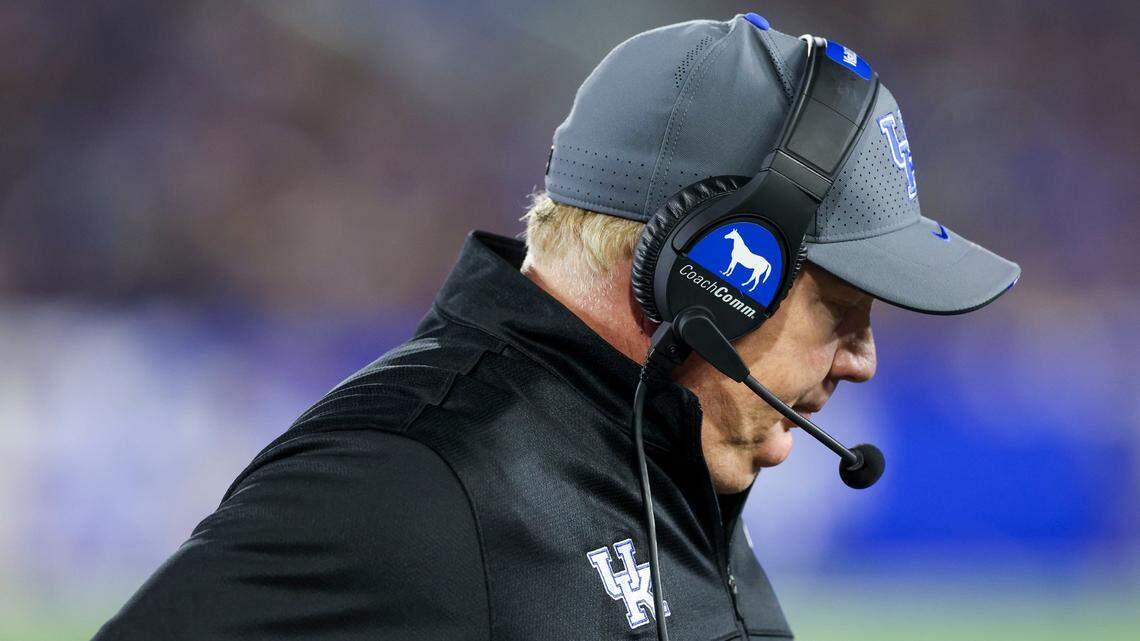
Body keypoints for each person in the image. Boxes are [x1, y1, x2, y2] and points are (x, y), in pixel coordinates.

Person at [93, 13, 1019, 641]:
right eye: (842, 308)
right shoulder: (418, 484)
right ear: (705, 272)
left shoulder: (662, 467)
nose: (863, 359)